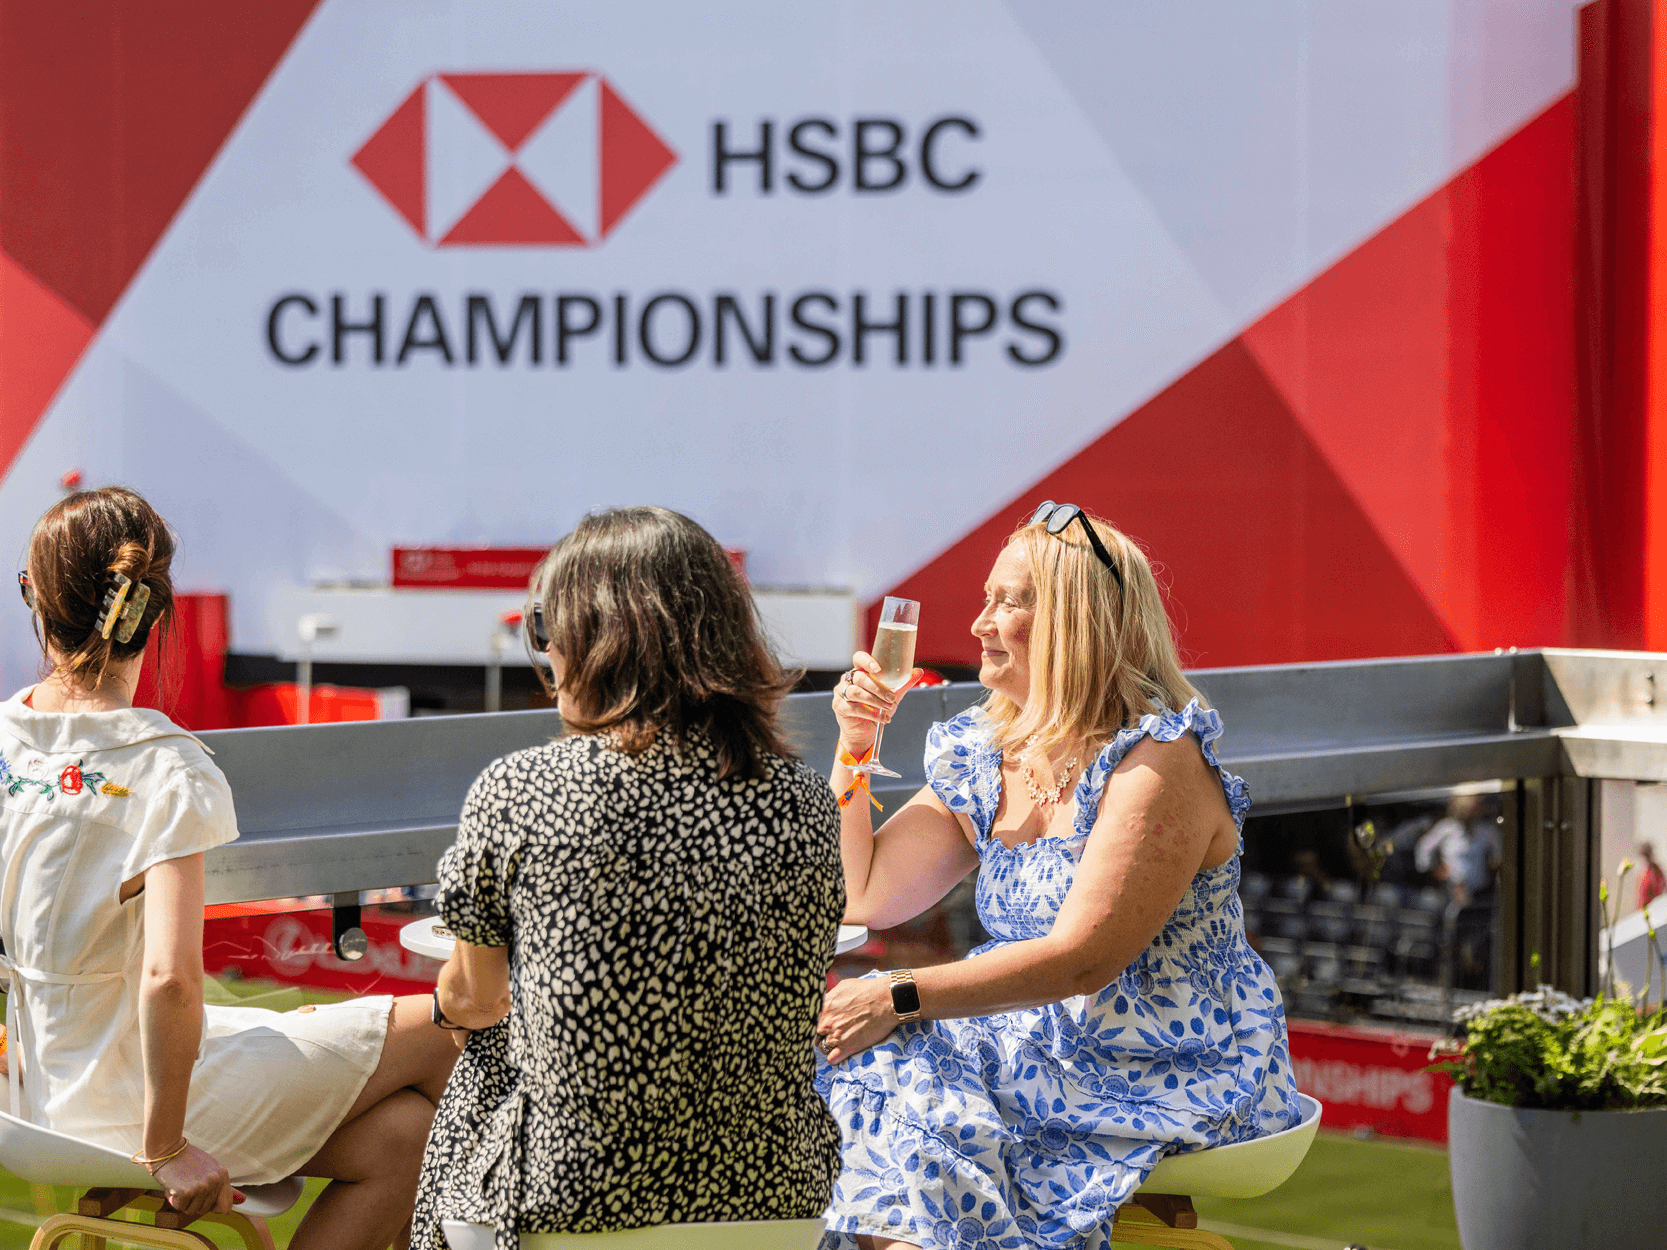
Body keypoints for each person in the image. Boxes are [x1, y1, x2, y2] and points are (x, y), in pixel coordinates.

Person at [814, 502, 1302, 1250]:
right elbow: (869, 893)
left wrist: (899, 995)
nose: (979, 624)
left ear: (1080, 621)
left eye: (1007, 602)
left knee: (900, 1089)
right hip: (1028, 1035)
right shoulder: (985, 751)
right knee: (871, 1085)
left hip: (1162, 1055)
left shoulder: (1156, 761)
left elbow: (1084, 959)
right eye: (986, 599)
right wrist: (854, 750)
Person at [0, 487, 457, 1250]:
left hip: (40, 1093)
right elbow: (169, 979)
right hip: (135, 1102)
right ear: (153, 612)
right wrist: (165, 1147)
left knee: (404, 1141)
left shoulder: (8, 737)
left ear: (35, 601)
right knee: (460, 1029)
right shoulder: (164, 765)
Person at [412, 506, 844, 1250]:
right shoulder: (804, 799)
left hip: (568, 1201)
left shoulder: (522, 788)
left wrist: (457, 1016)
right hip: (774, 1198)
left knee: (476, 1081)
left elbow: (475, 998)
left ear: (580, 638)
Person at [1638, 842, 1666, 911]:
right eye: (1645, 855)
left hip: (1659, 905)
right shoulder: (1643, 874)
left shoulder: (1657, 869)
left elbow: (1663, 886)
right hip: (1649, 908)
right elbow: (1643, 897)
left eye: (1648, 854)